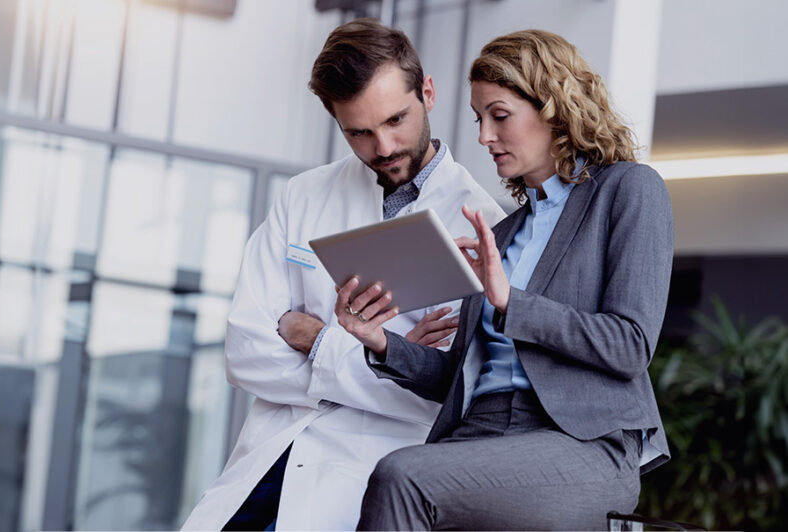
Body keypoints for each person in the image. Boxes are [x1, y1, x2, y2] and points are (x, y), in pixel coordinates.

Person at [335, 29, 674, 530]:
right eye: (479, 119)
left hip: (580, 443)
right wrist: (379, 341)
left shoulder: (627, 190)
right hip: (480, 431)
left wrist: (511, 302)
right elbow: (460, 378)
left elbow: (630, 345)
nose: (483, 137)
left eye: (499, 115)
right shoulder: (503, 230)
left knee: (402, 476)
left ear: (555, 107)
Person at [180, 18, 504, 531]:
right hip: (267, 460)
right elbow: (245, 353)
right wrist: (388, 358)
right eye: (359, 132)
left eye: (396, 119)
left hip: (363, 480)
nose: (384, 147)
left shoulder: (485, 226)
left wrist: (312, 336)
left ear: (428, 92)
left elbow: (445, 398)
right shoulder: (303, 196)